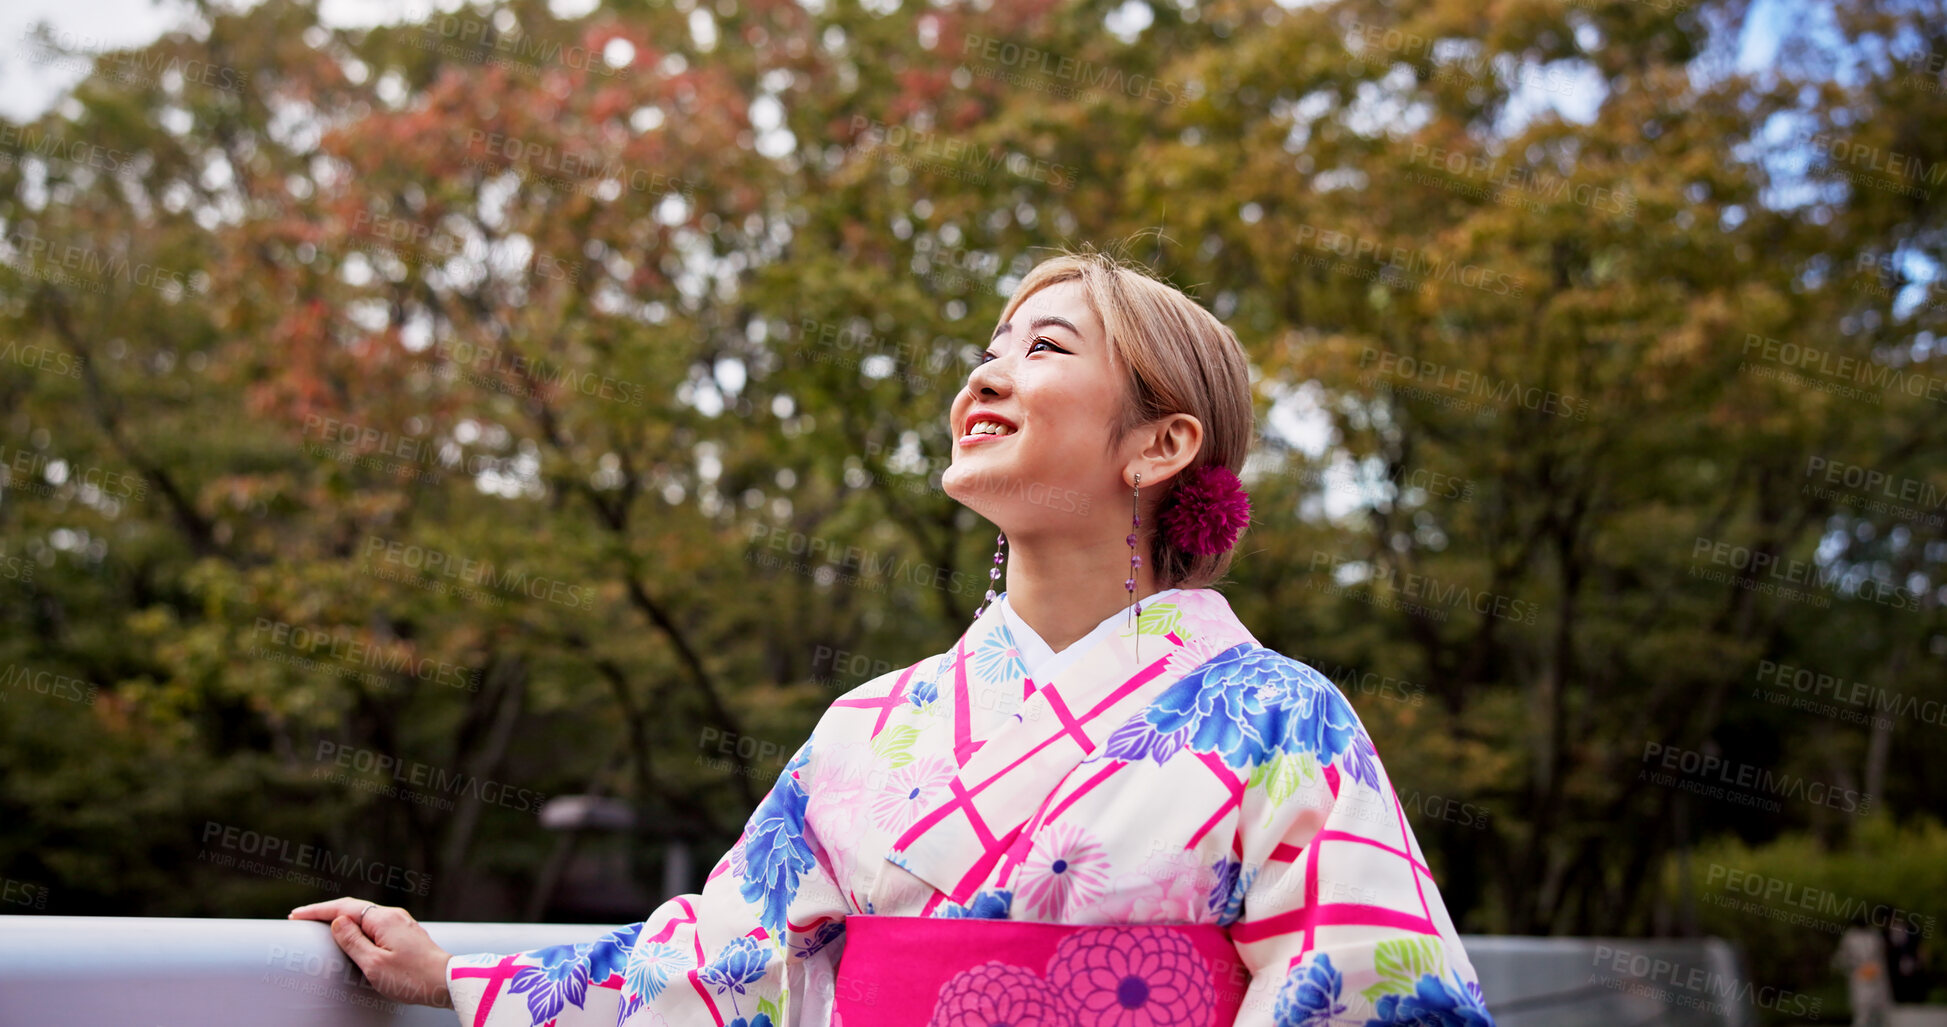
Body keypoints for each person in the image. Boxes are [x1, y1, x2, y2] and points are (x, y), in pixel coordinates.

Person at [293, 248, 1495, 1026]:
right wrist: (452, 973)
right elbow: (729, 957)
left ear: (1161, 445)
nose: (984, 373)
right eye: (986, 346)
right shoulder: (869, 725)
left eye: (1044, 346)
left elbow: (1371, 995)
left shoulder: (1281, 716)